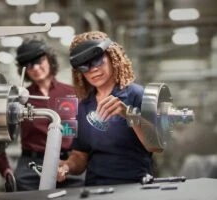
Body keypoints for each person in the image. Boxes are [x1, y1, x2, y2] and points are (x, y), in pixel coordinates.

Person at [57, 31, 161, 186]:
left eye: (97, 60)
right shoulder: (84, 105)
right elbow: (80, 155)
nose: (93, 70)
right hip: (95, 188)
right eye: (84, 66)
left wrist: (128, 114)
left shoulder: (138, 96)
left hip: (134, 186)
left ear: (112, 58)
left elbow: (155, 145)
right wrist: (66, 166)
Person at [0, 37, 84, 191]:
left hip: (70, 166)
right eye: (28, 64)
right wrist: (5, 169)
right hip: (31, 169)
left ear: (49, 59)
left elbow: (87, 136)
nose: (34, 67)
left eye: (39, 60)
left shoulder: (73, 93)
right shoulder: (18, 99)